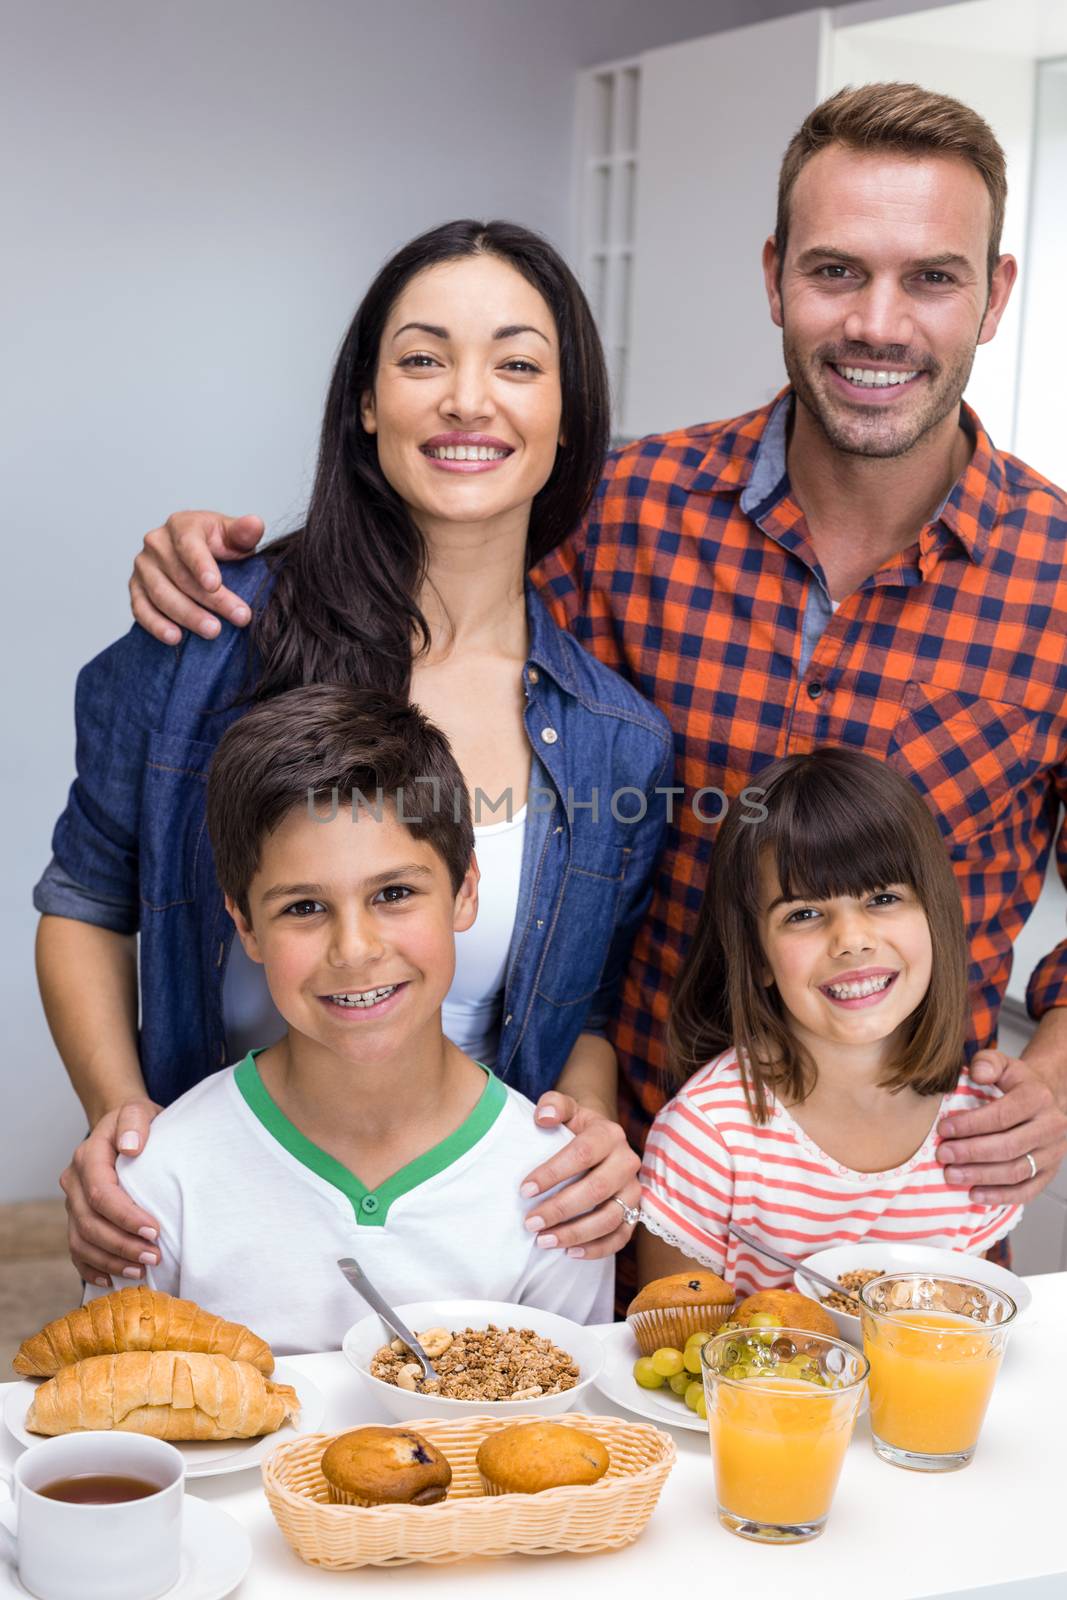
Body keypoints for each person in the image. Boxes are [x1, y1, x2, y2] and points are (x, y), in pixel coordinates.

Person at [116, 84, 1067, 1250]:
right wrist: (215, 563)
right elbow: (424, 561)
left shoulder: (1056, 578)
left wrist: (1057, 1073)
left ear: (993, 295)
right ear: (772, 277)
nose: (877, 321)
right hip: (617, 1192)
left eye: (929, 276)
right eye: (833, 272)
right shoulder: (613, 511)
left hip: (914, 1207)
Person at [35, 220, 673, 1290]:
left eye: (517, 363)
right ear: (367, 403)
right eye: (423, 358)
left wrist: (588, 1124)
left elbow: (592, 1004)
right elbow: (88, 901)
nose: (468, 398)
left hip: (485, 1241)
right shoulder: (208, 643)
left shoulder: (617, 738)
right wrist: (127, 1129)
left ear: (567, 419)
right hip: (225, 1227)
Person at [98, 685, 612, 1350]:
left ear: (464, 892)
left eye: (393, 894)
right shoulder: (162, 1181)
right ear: (245, 926)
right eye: (303, 908)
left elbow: (570, 1430)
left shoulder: (556, 1191)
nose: (355, 950)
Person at [637, 748, 1020, 1293]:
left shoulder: (977, 1127)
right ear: (758, 957)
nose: (852, 940)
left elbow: (965, 1335)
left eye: (884, 897)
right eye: (805, 914)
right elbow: (671, 1349)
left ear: (935, 914)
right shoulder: (708, 1136)